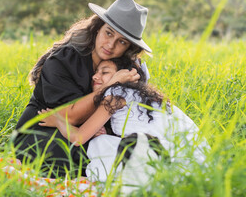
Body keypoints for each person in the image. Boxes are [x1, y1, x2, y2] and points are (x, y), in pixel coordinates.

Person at [13, 0, 153, 177]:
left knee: (119, 152)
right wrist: (111, 84)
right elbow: (70, 117)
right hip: (45, 129)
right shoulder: (62, 60)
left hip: (91, 132)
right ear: (97, 29)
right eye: (108, 33)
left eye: (122, 41)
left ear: (129, 48)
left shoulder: (124, 67)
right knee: (63, 154)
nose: (111, 45)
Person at [39, 58, 209, 188]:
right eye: (96, 72)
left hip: (164, 161)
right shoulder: (149, 99)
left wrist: (59, 121)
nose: (95, 76)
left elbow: (79, 138)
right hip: (193, 163)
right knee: (105, 140)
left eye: (105, 72)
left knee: (99, 143)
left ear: (124, 77)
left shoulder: (115, 95)